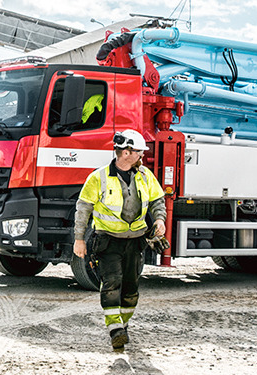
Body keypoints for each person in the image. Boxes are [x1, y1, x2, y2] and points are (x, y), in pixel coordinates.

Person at [73, 129, 167, 350]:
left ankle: (123, 325)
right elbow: (83, 209)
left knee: (131, 288)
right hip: (109, 241)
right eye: (139, 152)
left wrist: (160, 220)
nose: (142, 156)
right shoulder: (98, 178)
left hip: (135, 242)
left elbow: (157, 200)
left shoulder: (145, 175)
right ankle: (114, 329)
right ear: (126, 152)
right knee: (112, 283)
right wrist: (79, 239)